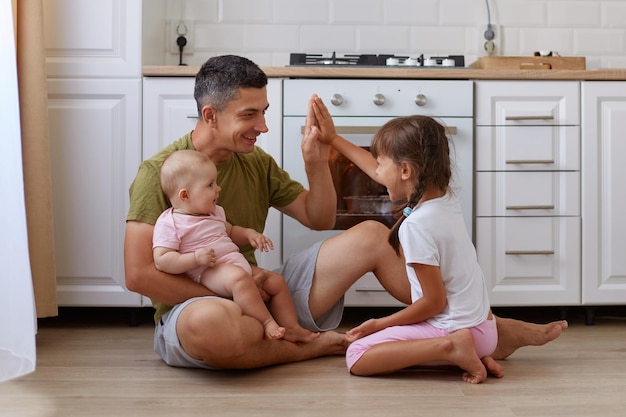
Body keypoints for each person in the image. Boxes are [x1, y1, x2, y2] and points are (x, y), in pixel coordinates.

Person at [124, 54, 567, 370]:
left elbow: (317, 218)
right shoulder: (161, 172)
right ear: (211, 115)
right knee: (213, 326)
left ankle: (464, 323)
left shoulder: (255, 163)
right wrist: (233, 297)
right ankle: (311, 347)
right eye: (250, 115)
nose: (262, 126)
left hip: (262, 292)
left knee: (374, 235)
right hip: (203, 303)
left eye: (265, 112)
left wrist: (317, 162)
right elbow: (139, 275)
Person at [326, 115, 497, 383]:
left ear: (405, 171)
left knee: (358, 354)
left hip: (457, 330)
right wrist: (333, 139)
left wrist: (379, 323)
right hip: (484, 327)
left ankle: (451, 349)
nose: (378, 173)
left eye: (381, 164)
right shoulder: (445, 198)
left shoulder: (416, 225)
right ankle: (469, 354)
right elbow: (380, 171)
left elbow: (433, 302)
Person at [153, 149, 319, 343]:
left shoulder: (214, 213)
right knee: (240, 280)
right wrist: (195, 258)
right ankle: (267, 323)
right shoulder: (170, 223)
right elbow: (162, 260)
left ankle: (292, 328)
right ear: (185, 195)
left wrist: (249, 234)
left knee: (276, 282)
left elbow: (231, 232)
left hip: (233, 264)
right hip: (208, 271)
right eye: (210, 185)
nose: (218, 188)